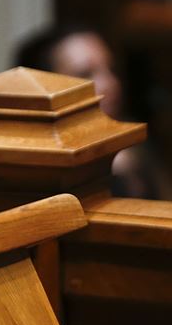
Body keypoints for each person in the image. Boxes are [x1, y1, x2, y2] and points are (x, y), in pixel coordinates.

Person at [15, 24, 158, 198]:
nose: (111, 84)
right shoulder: (36, 176)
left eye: (111, 69)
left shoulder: (136, 150)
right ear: (45, 89)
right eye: (85, 73)